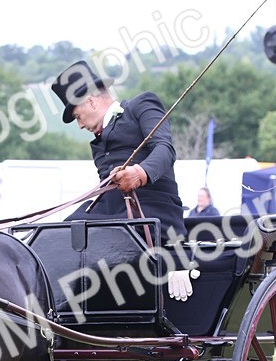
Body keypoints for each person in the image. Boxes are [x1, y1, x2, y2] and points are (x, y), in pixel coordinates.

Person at [50, 60, 192, 301]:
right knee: (61, 232)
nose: (80, 124)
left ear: (91, 102)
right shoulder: (97, 143)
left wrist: (139, 174)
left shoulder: (141, 105)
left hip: (153, 213)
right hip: (112, 215)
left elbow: (165, 149)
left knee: (79, 231)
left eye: (77, 117)